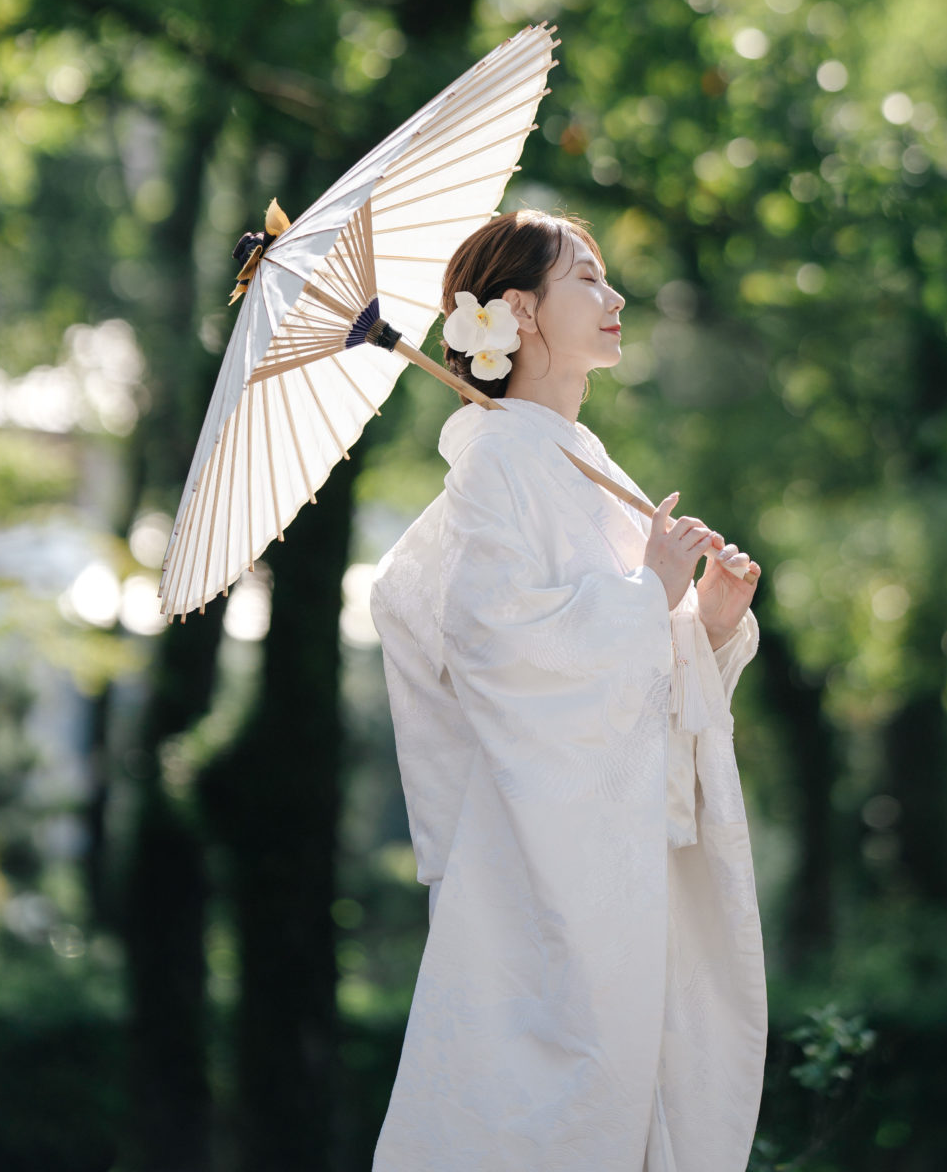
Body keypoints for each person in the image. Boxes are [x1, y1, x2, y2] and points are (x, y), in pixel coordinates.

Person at [370, 209, 766, 1172]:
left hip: (614, 854)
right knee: (549, 1117)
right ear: (518, 309)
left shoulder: (571, 457)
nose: (616, 295)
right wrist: (651, 595)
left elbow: (624, 655)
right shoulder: (500, 458)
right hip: (544, 873)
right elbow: (497, 648)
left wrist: (704, 623)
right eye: (586, 277)